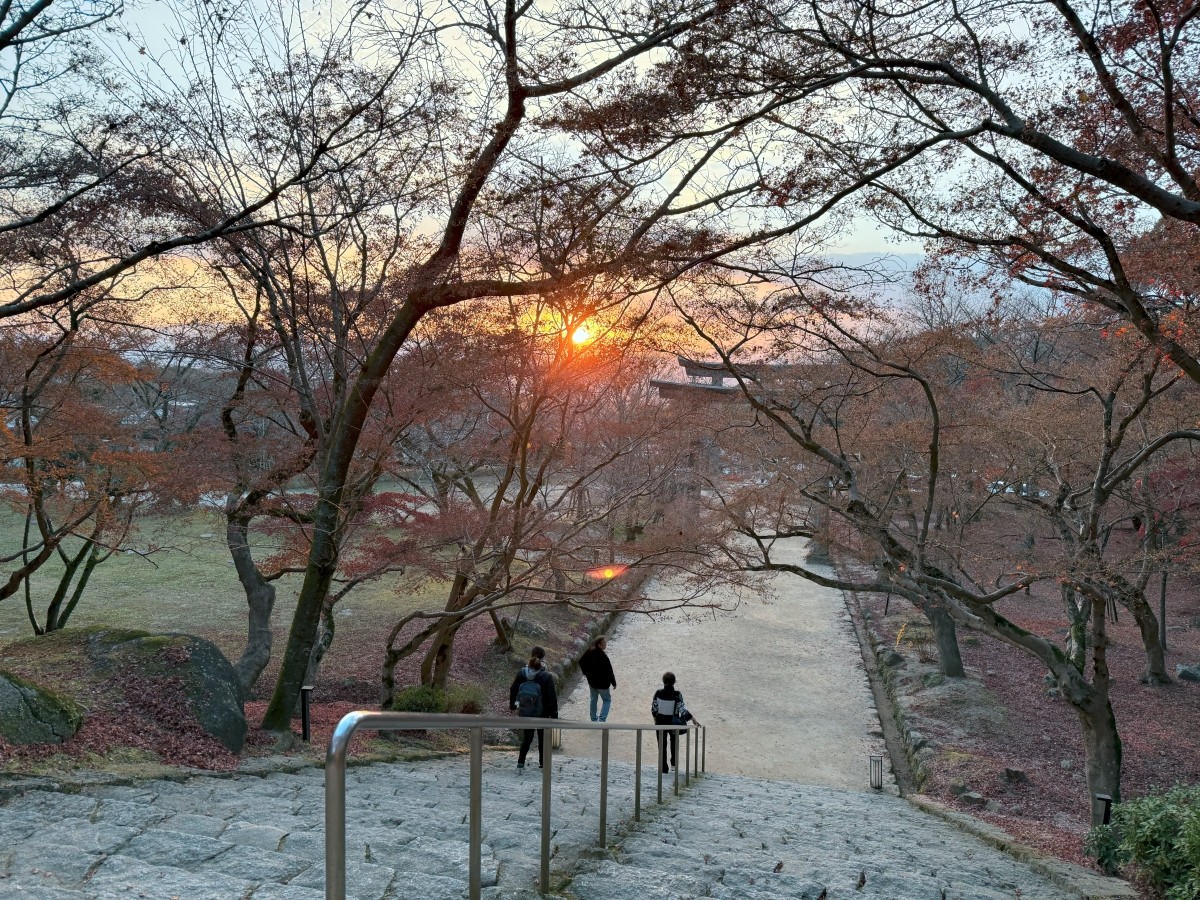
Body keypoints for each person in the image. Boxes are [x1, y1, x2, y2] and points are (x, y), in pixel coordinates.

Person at [509, 653, 558, 771]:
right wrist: (554, 715)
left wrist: (513, 705)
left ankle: (521, 762)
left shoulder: (522, 674)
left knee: (527, 737)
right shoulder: (546, 676)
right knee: (543, 738)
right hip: (543, 712)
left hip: (526, 711)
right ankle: (543, 763)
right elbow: (552, 697)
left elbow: (513, 689)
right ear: (540, 666)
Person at [651, 671, 700, 773]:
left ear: (663, 681)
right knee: (674, 743)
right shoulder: (677, 695)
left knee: (662, 745)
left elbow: (654, 708)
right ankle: (673, 764)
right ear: (674, 682)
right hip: (674, 723)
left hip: (660, 723)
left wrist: (655, 718)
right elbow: (682, 709)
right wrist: (693, 720)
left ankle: (663, 768)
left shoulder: (658, 693)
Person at [578, 636, 617, 722]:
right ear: (599, 645)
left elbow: (581, 661)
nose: (606, 644)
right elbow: (609, 671)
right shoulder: (603, 656)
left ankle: (593, 719)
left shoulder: (590, 651)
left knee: (593, 700)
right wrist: (613, 682)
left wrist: (587, 674)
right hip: (603, 684)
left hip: (592, 682)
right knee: (607, 700)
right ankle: (602, 719)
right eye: (604, 643)